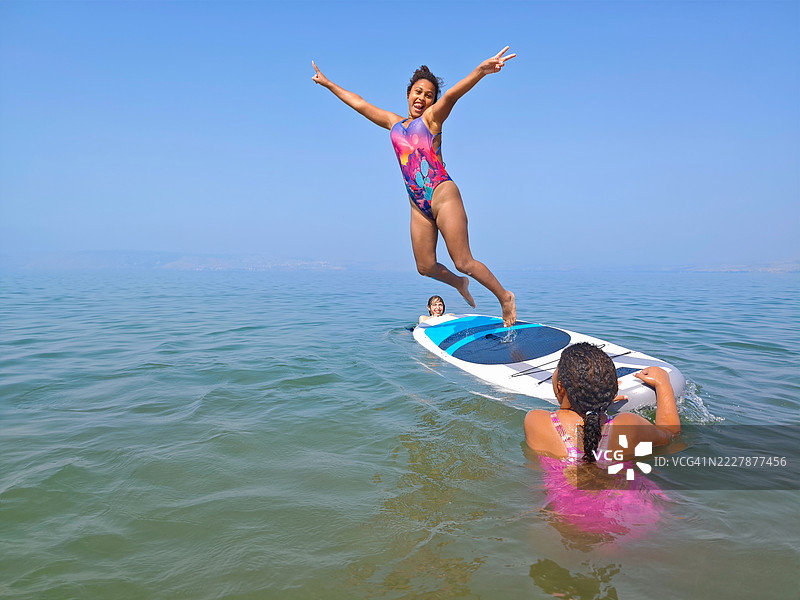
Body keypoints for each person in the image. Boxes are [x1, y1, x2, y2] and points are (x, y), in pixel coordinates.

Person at [312, 48, 518, 326]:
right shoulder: (393, 123)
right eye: (418, 92)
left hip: (442, 195)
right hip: (417, 206)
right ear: (409, 93)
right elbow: (360, 104)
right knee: (425, 267)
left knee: (463, 260)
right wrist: (328, 84)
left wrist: (481, 71)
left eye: (428, 94)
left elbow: (453, 95)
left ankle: (505, 297)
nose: (422, 98)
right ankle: (459, 284)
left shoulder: (432, 119)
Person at [523, 342, 680, 538]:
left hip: (567, 517)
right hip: (635, 516)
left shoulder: (537, 422)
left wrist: (592, 406)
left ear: (560, 387)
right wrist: (664, 384)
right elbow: (670, 433)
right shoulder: (627, 426)